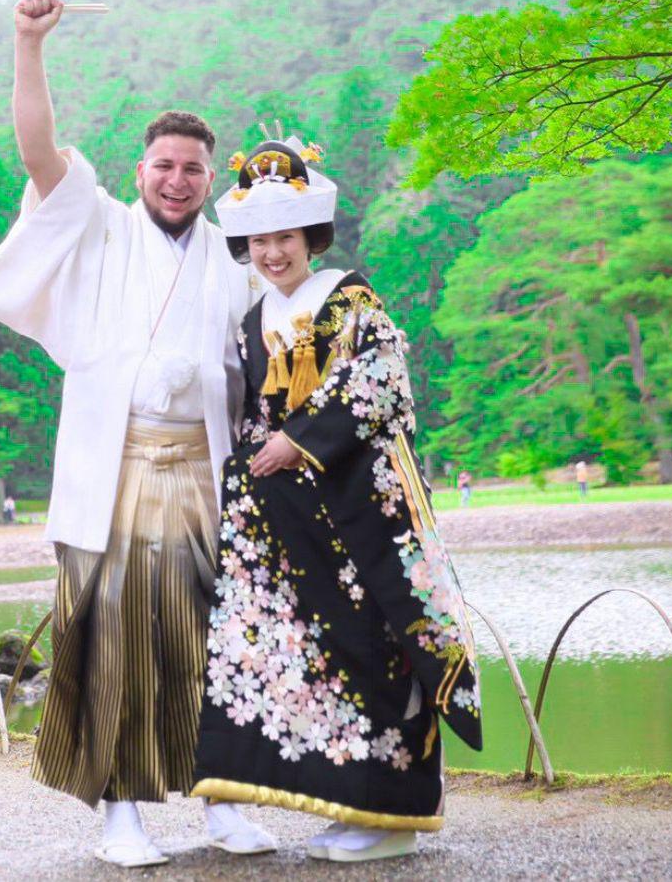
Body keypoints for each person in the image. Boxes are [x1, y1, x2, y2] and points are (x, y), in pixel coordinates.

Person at [0, 0, 273, 868]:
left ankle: (224, 802)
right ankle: (120, 811)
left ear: (213, 180)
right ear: (142, 167)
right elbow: (36, 147)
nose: (177, 180)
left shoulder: (232, 264)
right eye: (165, 164)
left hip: (206, 473)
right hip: (117, 468)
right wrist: (28, 44)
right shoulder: (97, 224)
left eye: (194, 170)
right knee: (115, 642)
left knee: (220, 638)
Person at [191, 138, 483, 862]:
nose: (272, 253)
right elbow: (253, 419)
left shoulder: (351, 299)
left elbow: (382, 384)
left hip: (364, 515)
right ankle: (353, 804)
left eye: (285, 237)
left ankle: (394, 817)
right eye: (259, 241)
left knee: (378, 648)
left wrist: (303, 438)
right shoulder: (255, 317)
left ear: (310, 236)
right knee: (319, 659)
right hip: (296, 527)